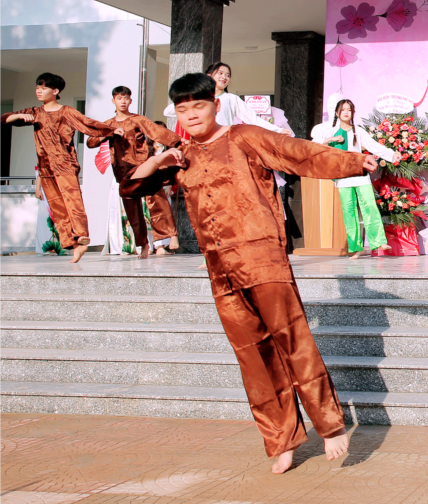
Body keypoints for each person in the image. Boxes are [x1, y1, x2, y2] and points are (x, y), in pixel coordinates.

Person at [126, 73, 376, 474]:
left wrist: (352, 161)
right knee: (254, 357)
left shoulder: (243, 137)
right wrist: (158, 160)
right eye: (183, 110)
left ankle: (330, 426)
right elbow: (132, 187)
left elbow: (297, 153)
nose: (191, 116)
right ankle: (283, 439)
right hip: (220, 270)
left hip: (262, 259)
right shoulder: (181, 156)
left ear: (215, 105)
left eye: (199, 106)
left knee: (294, 340)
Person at [2, 72, 123, 264]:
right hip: (46, 167)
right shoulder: (35, 112)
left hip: (65, 164)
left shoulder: (66, 111)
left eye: (43, 88)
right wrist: (18, 115)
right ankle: (74, 244)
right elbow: (5, 119)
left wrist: (111, 130)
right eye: (37, 87)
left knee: (73, 201)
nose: (39, 91)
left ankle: (82, 236)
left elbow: (88, 124)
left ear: (55, 91)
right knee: (57, 207)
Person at [85, 85, 181, 258]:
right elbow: (91, 142)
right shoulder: (108, 124)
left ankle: (170, 235)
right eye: (119, 98)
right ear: (113, 100)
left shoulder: (138, 119)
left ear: (130, 100)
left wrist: (178, 142)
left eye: (126, 98)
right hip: (123, 173)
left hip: (142, 167)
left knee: (157, 199)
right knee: (132, 209)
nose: (123, 101)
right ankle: (143, 244)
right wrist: (109, 133)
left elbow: (158, 132)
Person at [310, 97, 402, 258]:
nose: (346, 112)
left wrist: (391, 154)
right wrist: (331, 140)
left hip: (360, 174)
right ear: (337, 113)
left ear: (353, 113)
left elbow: (373, 146)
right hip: (342, 176)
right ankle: (355, 247)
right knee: (349, 212)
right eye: (343, 110)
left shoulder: (357, 131)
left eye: (349, 110)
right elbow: (315, 144)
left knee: (370, 206)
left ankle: (378, 241)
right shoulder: (330, 131)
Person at [164, 62, 290, 137]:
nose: (224, 77)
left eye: (228, 75)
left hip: (224, 143)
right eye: (220, 73)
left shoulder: (231, 99)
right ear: (208, 76)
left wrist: (278, 130)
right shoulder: (198, 98)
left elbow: (253, 119)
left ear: (217, 105)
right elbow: (168, 111)